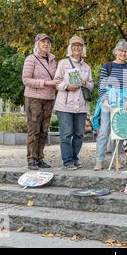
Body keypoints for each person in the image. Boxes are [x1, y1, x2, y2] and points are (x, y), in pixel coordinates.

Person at [54, 35, 94, 170]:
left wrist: (85, 83)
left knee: (79, 134)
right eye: (74, 45)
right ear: (70, 48)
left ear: (83, 48)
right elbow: (57, 81)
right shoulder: (63, 63)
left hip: (81, 106)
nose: (77, 47)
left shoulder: (87, 67)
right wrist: (67, 86)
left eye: (80, 45)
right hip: (64, 105)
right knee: (66, 134)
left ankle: (74, 158)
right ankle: (67, 161)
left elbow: (92, 86)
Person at [22, 33, 61, 170]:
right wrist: (46, 83)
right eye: (43, 42)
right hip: (34, 98)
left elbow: (56, 78)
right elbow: (26, 80)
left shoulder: (52, 60)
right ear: (37, 44)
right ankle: (31, 159)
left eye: (48, 42)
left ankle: (40, 158)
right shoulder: (31, 59)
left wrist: (59, 83)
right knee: (34, 129)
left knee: (44, 130)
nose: (46, 44)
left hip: (49, 98)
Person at [94, 39, 127, 171]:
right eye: (121, 51)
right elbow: (102, 85)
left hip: (123, 102)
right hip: (109, 100)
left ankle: (115, 158)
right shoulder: (108, 66)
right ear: (116, 51)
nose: (123, 53)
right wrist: (104, 101)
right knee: (104, 131)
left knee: (120, 131)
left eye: (125, 51)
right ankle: (99, 160)